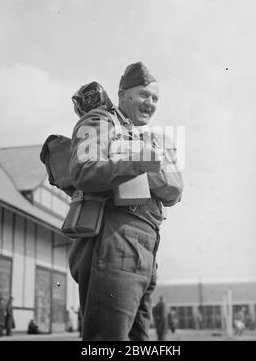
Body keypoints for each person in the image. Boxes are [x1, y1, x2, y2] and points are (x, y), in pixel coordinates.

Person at [68, 62, 183, 341]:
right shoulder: (98, 121)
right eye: (143, 95)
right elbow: (83, 170)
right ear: (122, 96)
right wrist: (140, 162)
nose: (150, 103)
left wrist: (142, 163)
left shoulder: (151, 139)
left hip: (147, 246)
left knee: (138, 340)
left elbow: (176, 191)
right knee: (107, 341)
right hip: (116, 239)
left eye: (155, 98)